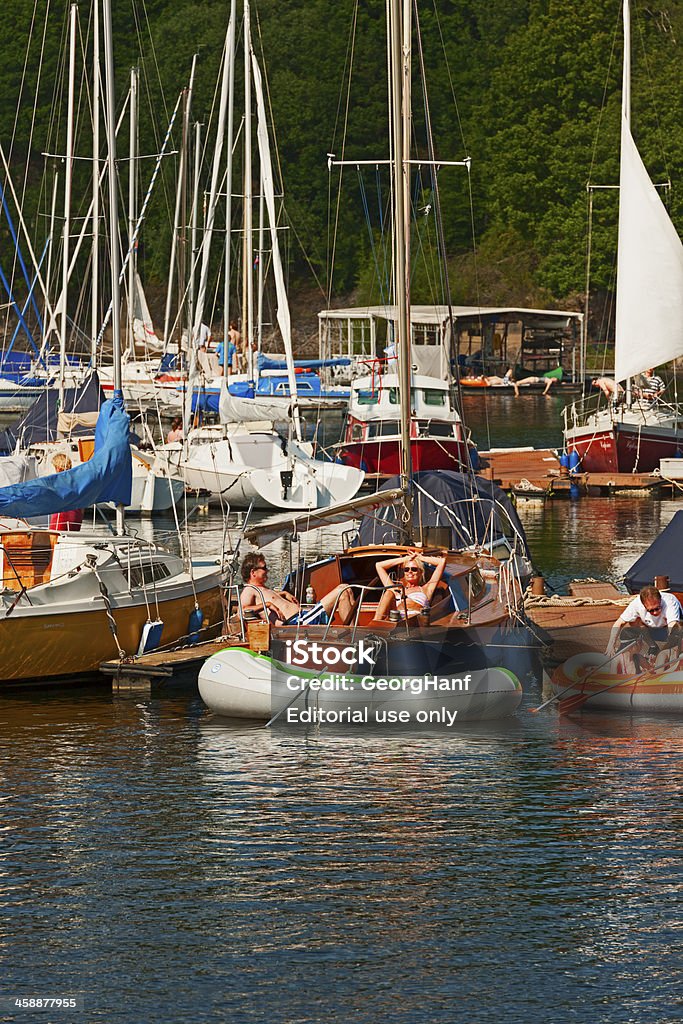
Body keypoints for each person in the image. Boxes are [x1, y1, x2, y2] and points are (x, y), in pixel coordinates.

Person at [239, 552, 357, 626]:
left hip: (303, 616)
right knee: (342, 590)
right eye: (264, 568)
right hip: (298, 622)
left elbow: (271, 597)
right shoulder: (249, 589)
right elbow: (242, 611)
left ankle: (357, 631)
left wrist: (283, 593)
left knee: (347, 590)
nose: (267, 570)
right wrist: (268, 604)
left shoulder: (262, 589)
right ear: (253, 572)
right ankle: (355, 636)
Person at [607, 585, 683, 657]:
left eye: (657, 608)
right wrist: (611, 645)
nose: (655, 612)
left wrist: (669, 650)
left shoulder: (670, 602)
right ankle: (653, 646)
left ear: (660, 600)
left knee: (678, 628)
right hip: (652, 629)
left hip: (670, 629)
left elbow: (673, 626)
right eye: (651, 610)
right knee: (634, 620)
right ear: (643, 605)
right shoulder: (636, 604)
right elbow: (619, 623)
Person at [374, 549, 448, 621]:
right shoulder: (396, 590)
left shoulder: (426, 589)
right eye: (406, 569)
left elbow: (442, 562)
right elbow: (379, 566)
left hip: (414, 619)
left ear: (420, 572)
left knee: (390, 592)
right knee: (388, 592)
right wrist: (406, 558)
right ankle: (375, 623)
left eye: (414, 569)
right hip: (396, 618)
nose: (410, 572)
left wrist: (418, 557)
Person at [49, 453, 83, 533]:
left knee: (55, 540)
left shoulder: (56, 483)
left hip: (59, 519)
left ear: (57, 468)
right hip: (75, 519)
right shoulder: (77, 483)